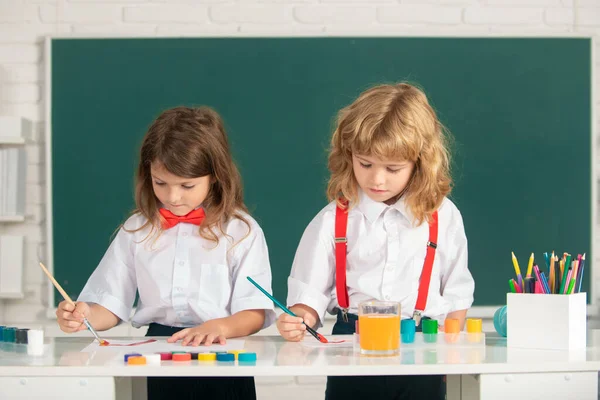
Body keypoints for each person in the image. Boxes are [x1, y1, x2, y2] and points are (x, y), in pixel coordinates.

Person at [56, 106, 275, 400]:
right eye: (161, 183)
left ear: (215, 177)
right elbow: (110, 303)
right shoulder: (137, 229)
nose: (172, 197)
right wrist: (84, 316)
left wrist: (219, 326)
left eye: (187, 185)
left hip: (224, 352)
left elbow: (255, 311)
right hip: (157, 354)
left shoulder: (241, 231)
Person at [277, 83, 474, 400]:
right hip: (351, 351)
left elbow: (456, 295)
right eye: (365, 163)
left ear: (420, 164)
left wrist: (449, 356)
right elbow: (308, 295)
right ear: (348, 155)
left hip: (423, 350)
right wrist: (300, 319)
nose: (376, 179)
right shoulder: (332, 220)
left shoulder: (443, 216)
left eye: (393, 168)